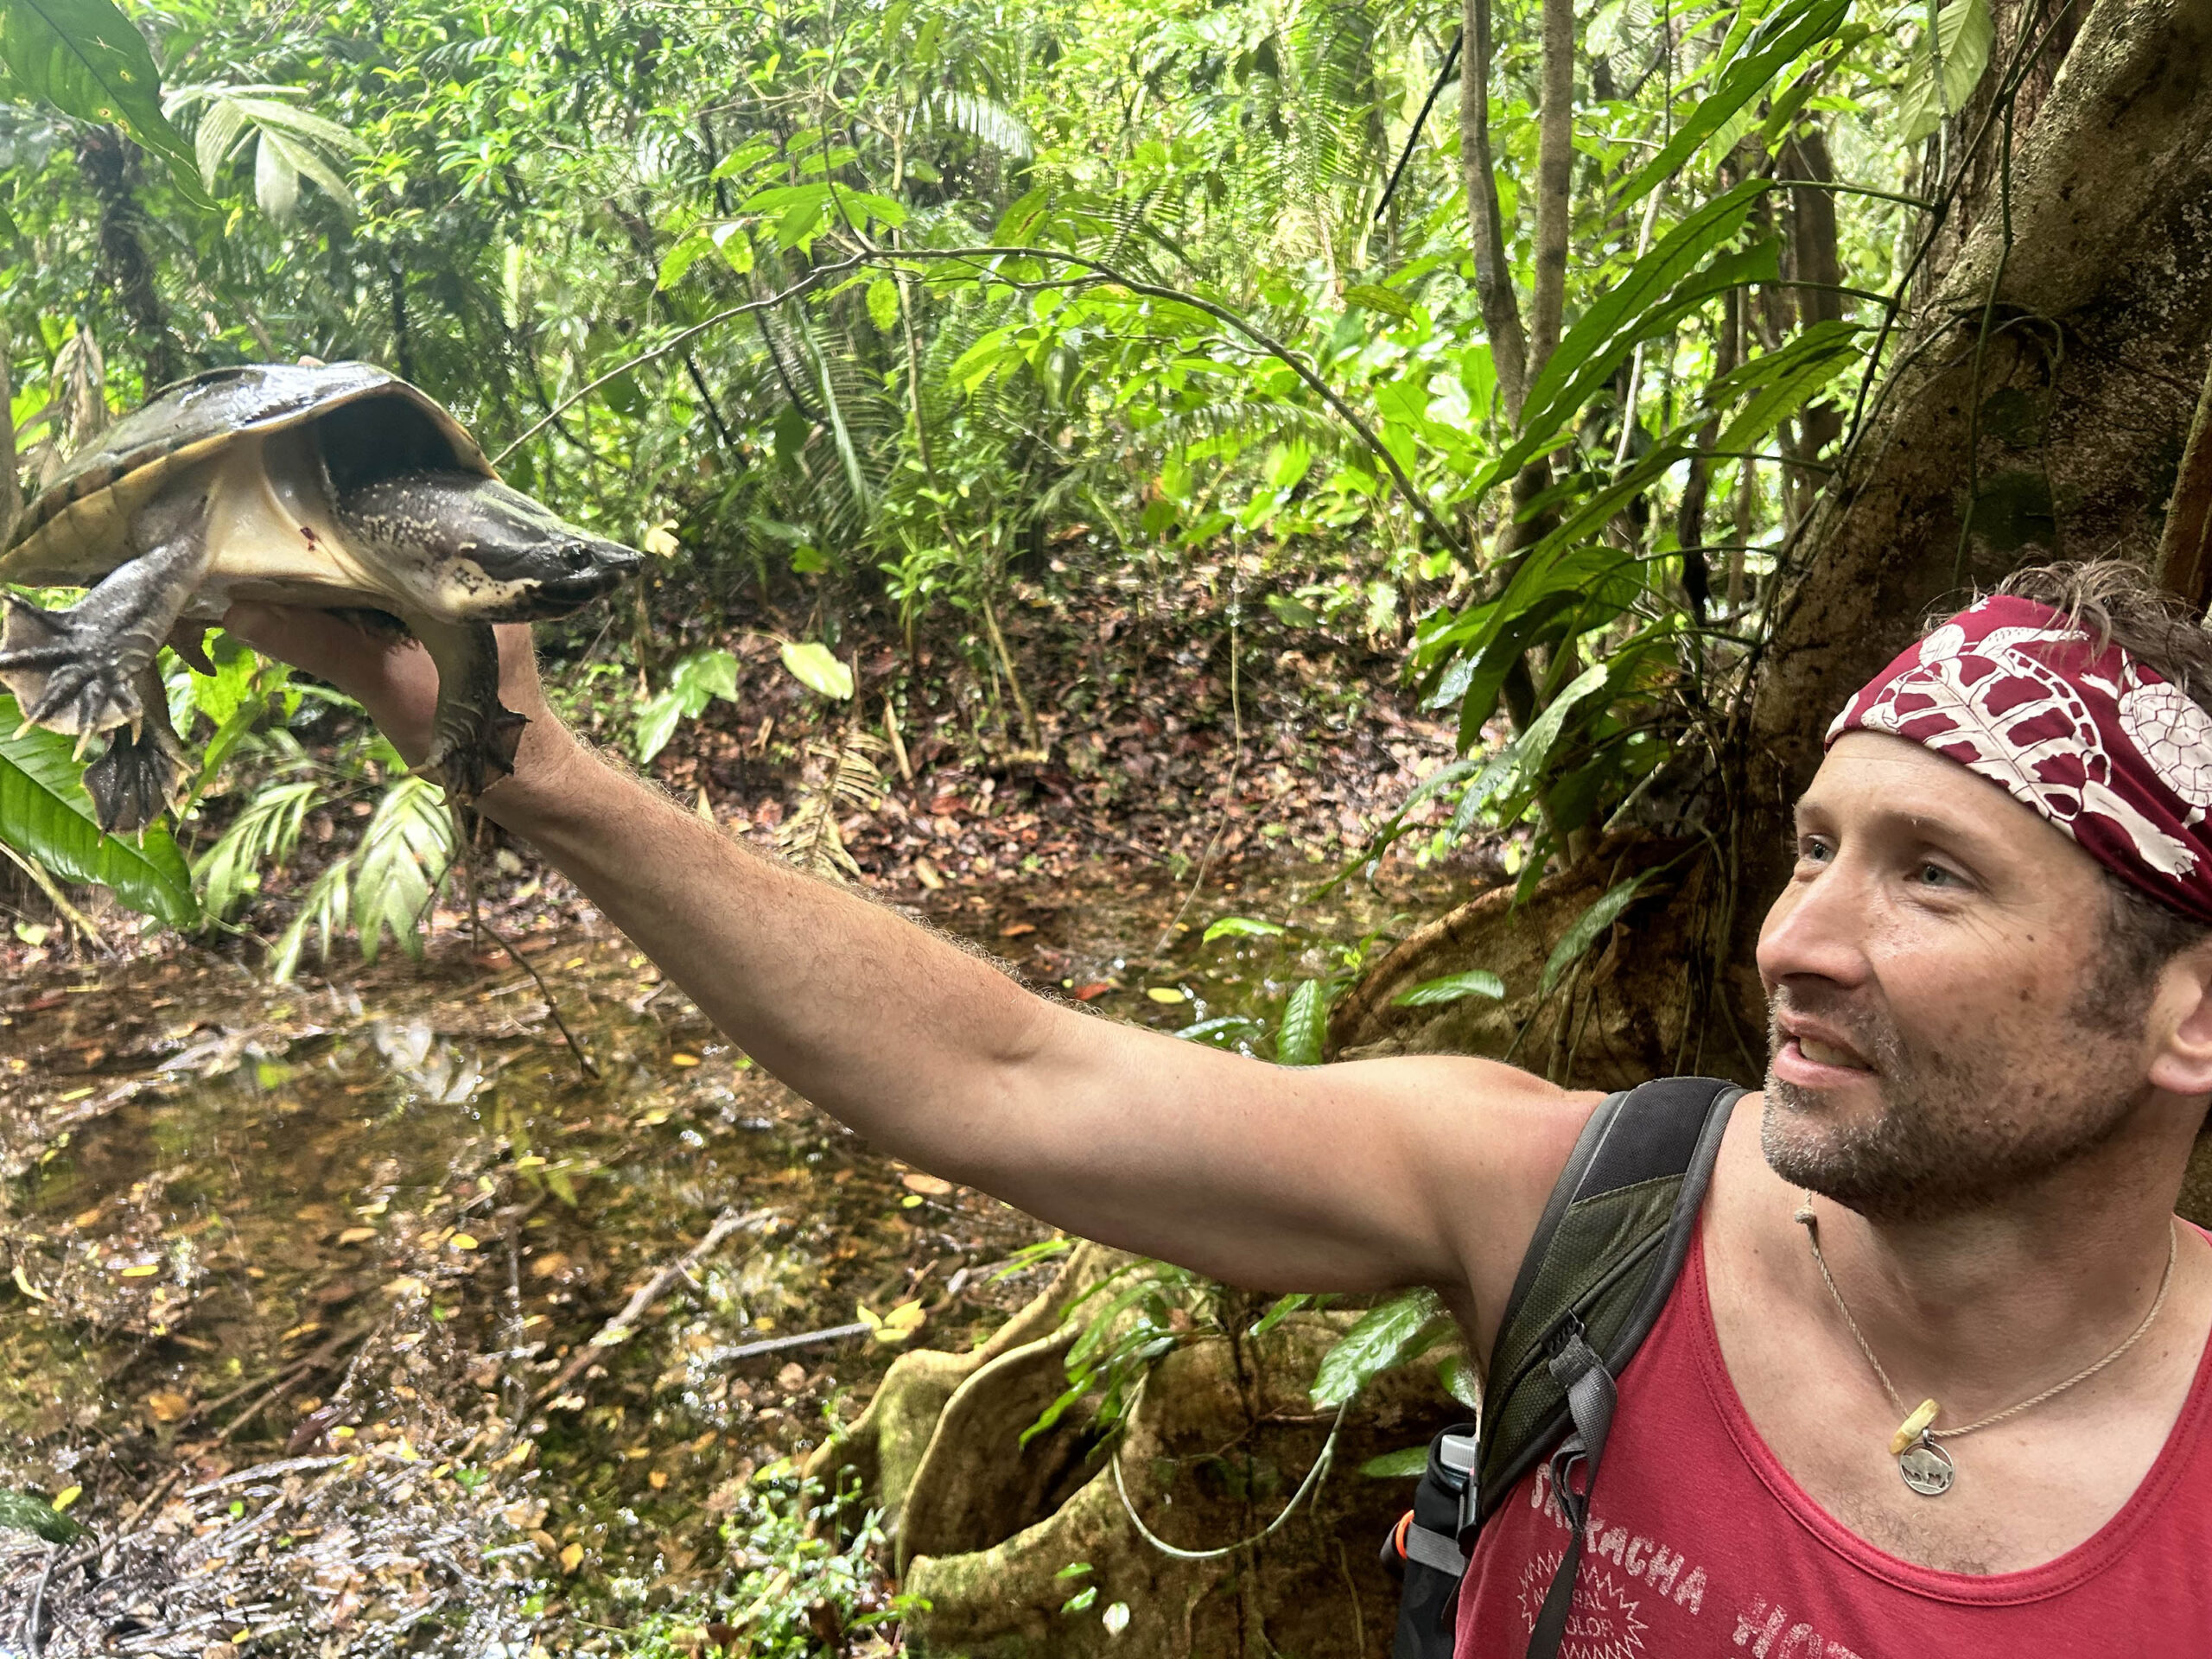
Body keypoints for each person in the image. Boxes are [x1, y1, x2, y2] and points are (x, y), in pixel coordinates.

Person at [225, 556, 2212, 1656]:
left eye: (1931, 875)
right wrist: (525, 763)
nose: (1798, 936)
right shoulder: (1580, 1210)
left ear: (2180, 1016)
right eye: (1809, 848)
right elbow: (1009, 1073)